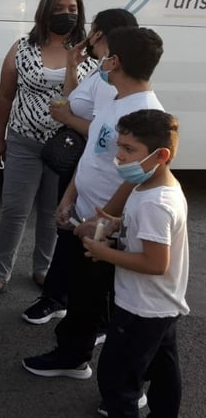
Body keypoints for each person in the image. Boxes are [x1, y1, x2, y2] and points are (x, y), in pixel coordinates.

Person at [23, 27, 165, 380]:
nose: (99, 59)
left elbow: (136, 180)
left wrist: (102, 223)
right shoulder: (115, 101)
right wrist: (70, 196)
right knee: (80, 292)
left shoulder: (146, 115)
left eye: (105, 54)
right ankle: (72, 353)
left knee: (95, 298)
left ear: (114, 61)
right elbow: (93, 157)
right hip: (84, 217)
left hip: (104, 226)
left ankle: (101, 373)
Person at [0, 0, 91, 301]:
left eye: (73, 9)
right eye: (60, 8)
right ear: (45, 9)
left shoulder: (85, 53)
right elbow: (5, 94)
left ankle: (43, 270)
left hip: (64, 147)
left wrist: (71, 65)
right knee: (14, 210)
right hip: (23, 141)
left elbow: (79, 98)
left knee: (53, 212)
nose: (67, 14)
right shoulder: (22, 47)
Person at [23, 8, 138, 325]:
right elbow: (73, 100)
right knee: (70, 238)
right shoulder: (101, 71)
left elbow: (100, 131)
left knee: (95, 253)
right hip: (82, 171)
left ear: (99, 35)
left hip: (102, 187)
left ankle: (90, 325)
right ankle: (58, 301)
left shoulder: (117, 82)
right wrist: (73, 67)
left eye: (92, 29)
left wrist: (66, 119)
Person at [83, 110, 188, 418]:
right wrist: (118, 224)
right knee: (164, 368)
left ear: (161, 155)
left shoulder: (155, 203)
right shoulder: (154, 187)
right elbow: (152, 239)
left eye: (129, 149)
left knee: (117, 379)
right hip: (163, 305)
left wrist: (105, 254)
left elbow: (155, 263)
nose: (119, 156)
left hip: (141, 308)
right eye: (120, 146)